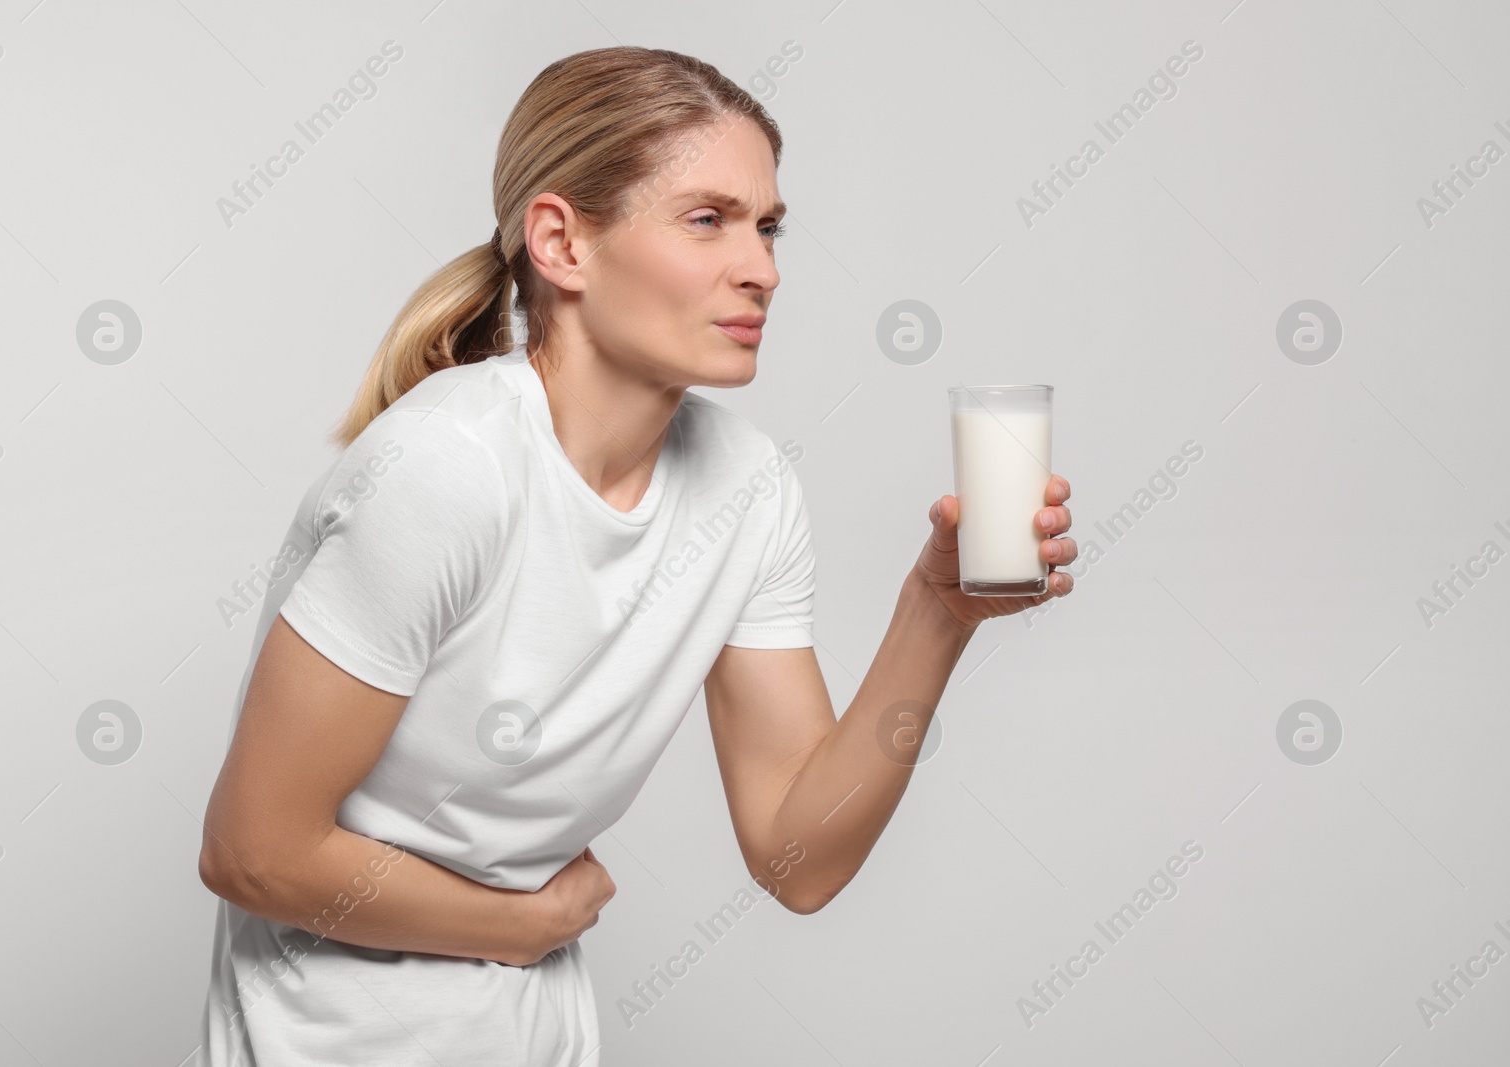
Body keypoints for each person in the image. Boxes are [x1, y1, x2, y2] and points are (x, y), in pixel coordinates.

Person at [193, 44, 1076, 1066]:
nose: (763, 268)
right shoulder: (444, 470)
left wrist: (938, 612)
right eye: (707, 219)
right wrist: (519, 924)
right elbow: (253, 851)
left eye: (768, 225)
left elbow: (798, 857)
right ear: (562, 243)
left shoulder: (746, 491)